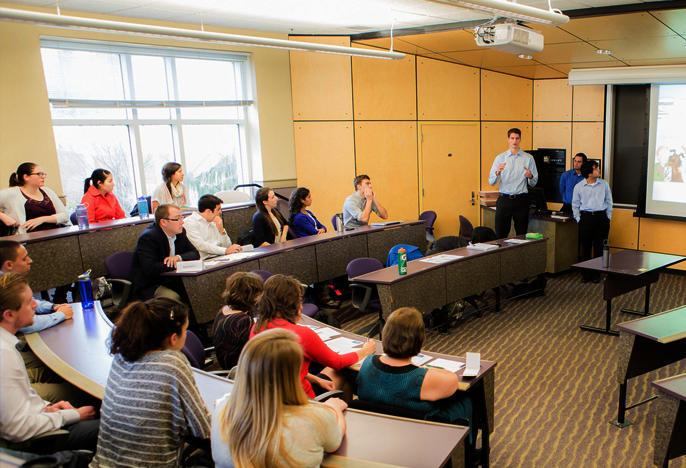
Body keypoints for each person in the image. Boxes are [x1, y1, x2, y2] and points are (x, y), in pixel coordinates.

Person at [90, 297, 211, 468]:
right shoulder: (172, 362)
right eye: (185, 330)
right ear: (173, 338)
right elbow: (203, 429)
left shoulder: (122, 356)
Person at [212, 328, 347, 468]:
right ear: (293, 375)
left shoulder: (221, 409)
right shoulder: (313, 419)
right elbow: (335, 442)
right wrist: (334, 408)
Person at [0, 273, 99, 451]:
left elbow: (20, 402)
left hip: (39, 418)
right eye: (29, 301)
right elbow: (17, 429)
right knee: (120, 426)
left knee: (94, 400)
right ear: (9, 314)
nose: (35, 304)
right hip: (36, 439)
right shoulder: (4, 355)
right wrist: (71, 415)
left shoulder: (6, 344)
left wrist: (48, 407)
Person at [250, 275, 376, 399]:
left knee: (344, 384)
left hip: (271, 398)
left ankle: (336, 413)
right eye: (300, 300)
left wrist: (316, 379)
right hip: (302, 400)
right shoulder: (300, 334)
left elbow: (281, 370)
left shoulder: (257, 327)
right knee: (343, 371)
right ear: (292, 303)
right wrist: (366, 350)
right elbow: (337, 362)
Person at [356, 307, 472, 431]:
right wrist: (420, 368)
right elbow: (453, 380)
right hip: (420, 432)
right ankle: (466, 447)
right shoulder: (421, 378)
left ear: (385, 336)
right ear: (419, 341)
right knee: (466, 401)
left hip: (375, 428)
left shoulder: (367, 363)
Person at [129, 204, 199, 301]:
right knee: (173, 297)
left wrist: (178, 257)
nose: (182, 222)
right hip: (150, 284)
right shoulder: (149, 237)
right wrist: (177, 264)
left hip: (171, 279)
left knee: (196, 290)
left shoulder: (180, 232)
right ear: (163, 222)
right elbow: (150, 268)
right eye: (177, 219)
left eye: (182, 217)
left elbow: (195, 254)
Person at [488, 128, 538, 239]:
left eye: (517, 138)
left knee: (521, 234)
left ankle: (520, 256)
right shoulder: (500, 158)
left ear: (520, 139)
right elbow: (491, 182)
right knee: (500, 234)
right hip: (505, 199)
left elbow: (534, 182)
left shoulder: (528, 158)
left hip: (521, 200)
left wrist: (530, 176)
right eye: (512, 138)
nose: (514, 141)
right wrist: (497, 172)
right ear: (508, 139)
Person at [572, 160, 613, 283]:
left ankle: (596, 274)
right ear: (589, 173)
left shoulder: (604, 184)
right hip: (586, 218)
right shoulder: (579, 186)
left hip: (601, 218)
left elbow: (609, 202)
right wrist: (579, 220)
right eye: (596, 169)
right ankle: (586, 274)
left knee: (599, 248)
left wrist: (608, 217)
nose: (599, 170)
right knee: (586, 247)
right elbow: (575, 205)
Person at [212, 271, 263, 370]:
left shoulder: (225, 309)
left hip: (225, 362)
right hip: (238, 368)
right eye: (258, 293)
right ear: (250, 295)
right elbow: (255, 348)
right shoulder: (243, 320)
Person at [0, 162, 69, 234]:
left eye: (43, 174)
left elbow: (65, 216)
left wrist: (43, 219)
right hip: (30, 241)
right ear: (26, 177)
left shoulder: (47, 191)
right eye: (39, 174)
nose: (43, 176)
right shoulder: (12, 193)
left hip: (56, 236)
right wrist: (3, 217)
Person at [184, 194, 242, 260]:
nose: (220, 212)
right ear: (208, 211)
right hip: (203, 260)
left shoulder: (214, 221)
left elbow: (227, 246)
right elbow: (201, 245)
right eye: (218, 209)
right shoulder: (190, 222)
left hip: (219, 257)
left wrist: (221, 229)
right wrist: (225, 251)